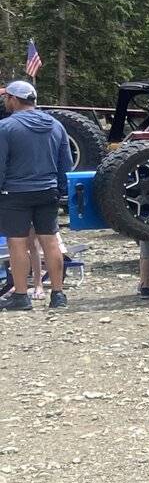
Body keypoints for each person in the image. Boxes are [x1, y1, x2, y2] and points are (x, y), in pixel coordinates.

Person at [0, 80, 73, 311]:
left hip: (15, 192)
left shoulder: (6, 127)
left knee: (17, 243)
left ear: (13, 99)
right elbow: (66, 162)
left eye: (6, 97)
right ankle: (58, 294)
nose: (4, 101)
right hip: (47, 190)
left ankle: (21, 296)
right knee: (50, 241)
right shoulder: (56, 125)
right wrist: (61, 189)